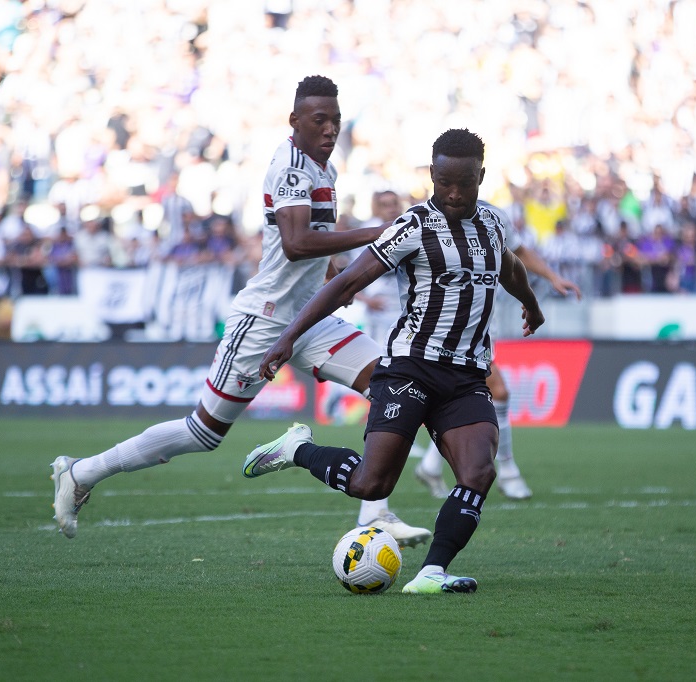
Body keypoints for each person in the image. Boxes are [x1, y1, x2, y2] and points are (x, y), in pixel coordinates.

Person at [50, 75, 430, 547]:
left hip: (310, 317)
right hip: (265, 320)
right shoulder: (292, 168)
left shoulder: (323, 167)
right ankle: (81, 473)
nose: (330, 129)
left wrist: (331, 270)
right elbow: (294, 244)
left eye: (335, 120)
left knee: (391, 387)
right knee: (202, 432)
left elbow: (303, 239)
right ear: (295, 121)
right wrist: (377, 231)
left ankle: (374, 514)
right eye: (319, 120)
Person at [243, 128, 545, 594]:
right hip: (411, 369)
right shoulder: (413, 227)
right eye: (444, 182)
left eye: (465, 183)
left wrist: (530, 301)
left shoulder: (492, 222)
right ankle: (296, 450)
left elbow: (508, 266)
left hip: (466, 376)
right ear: (433, 174)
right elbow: (346, 285)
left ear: (481, 176)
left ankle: (431, 573)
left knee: (479, 472)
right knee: (371, 484)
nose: (454, 193)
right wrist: (290, 335)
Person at [413, 228, 582, 500]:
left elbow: (518, 255)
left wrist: (551, 278)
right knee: (496, 393)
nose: (457, 190)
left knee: (463, 399)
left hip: (473, 329)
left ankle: (431, 466)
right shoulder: (427, 218)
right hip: (440, 328)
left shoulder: (492, 217)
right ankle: (507, 471)